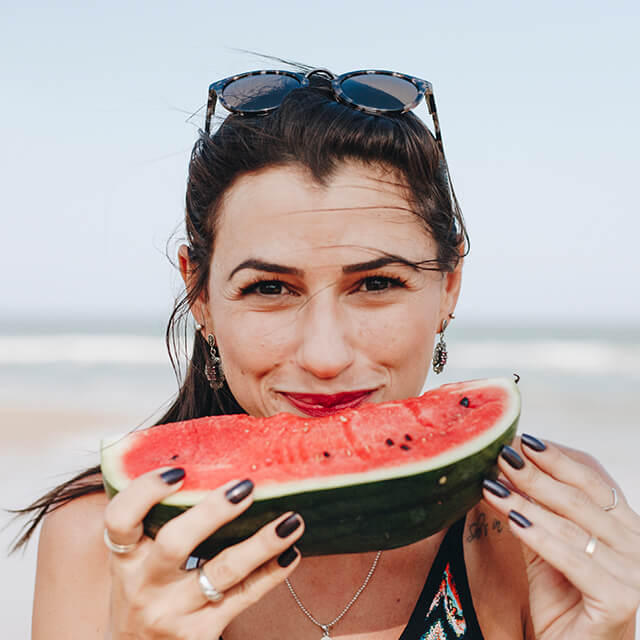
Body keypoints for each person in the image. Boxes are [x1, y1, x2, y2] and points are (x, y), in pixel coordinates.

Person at [16, 64, 640, 639]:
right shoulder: (99, 543)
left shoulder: (543, 529)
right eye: (269, 288)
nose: (324, 355)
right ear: (200, 295)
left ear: (448, 287)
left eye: (377, 284)